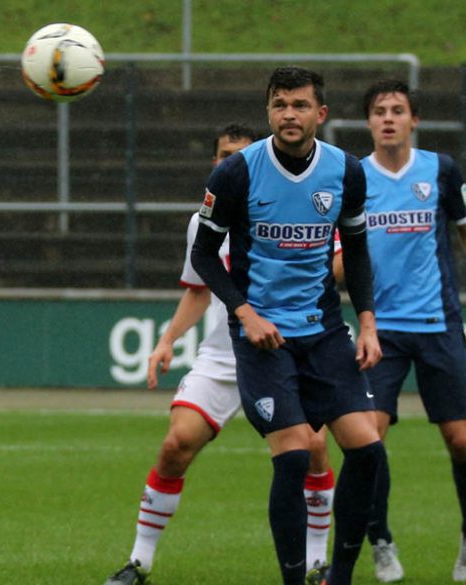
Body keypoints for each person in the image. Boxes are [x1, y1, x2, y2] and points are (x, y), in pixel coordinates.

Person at [105, 124, 338, 585]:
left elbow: (336, 264)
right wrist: (166, 340)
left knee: (312, 448)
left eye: (238, 154)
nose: (227, 162)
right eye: (221, 155)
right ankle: (139, 562)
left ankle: (316, 564)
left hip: (290, 348)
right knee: (176, 445)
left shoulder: (293, 203)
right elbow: (197, 291)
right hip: (225, 353)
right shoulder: (204, 220)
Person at [190, 66, 386, 585]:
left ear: (319, 114)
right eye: (280, 105)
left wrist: (366, 322)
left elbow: (359, 250)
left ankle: (338, 576)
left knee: (367, 451)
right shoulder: (236, 173)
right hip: (263, 339)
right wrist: (245, 313)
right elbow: (205, 255)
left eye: (300, 105)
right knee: (295, 455)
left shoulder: (345, 170)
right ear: (269, 111)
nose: (289, 115)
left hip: (323, 331)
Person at [355, 79, 466, 583]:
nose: (389, 118)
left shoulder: (442, 171)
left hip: (439, 323)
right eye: (379, 111)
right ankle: (380, 539)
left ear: (414, 120)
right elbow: (342, 250)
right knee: (370, 440)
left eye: (398, 110)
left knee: (461, 440)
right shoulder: (353, 177)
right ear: (369, 122)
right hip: (381, 330)